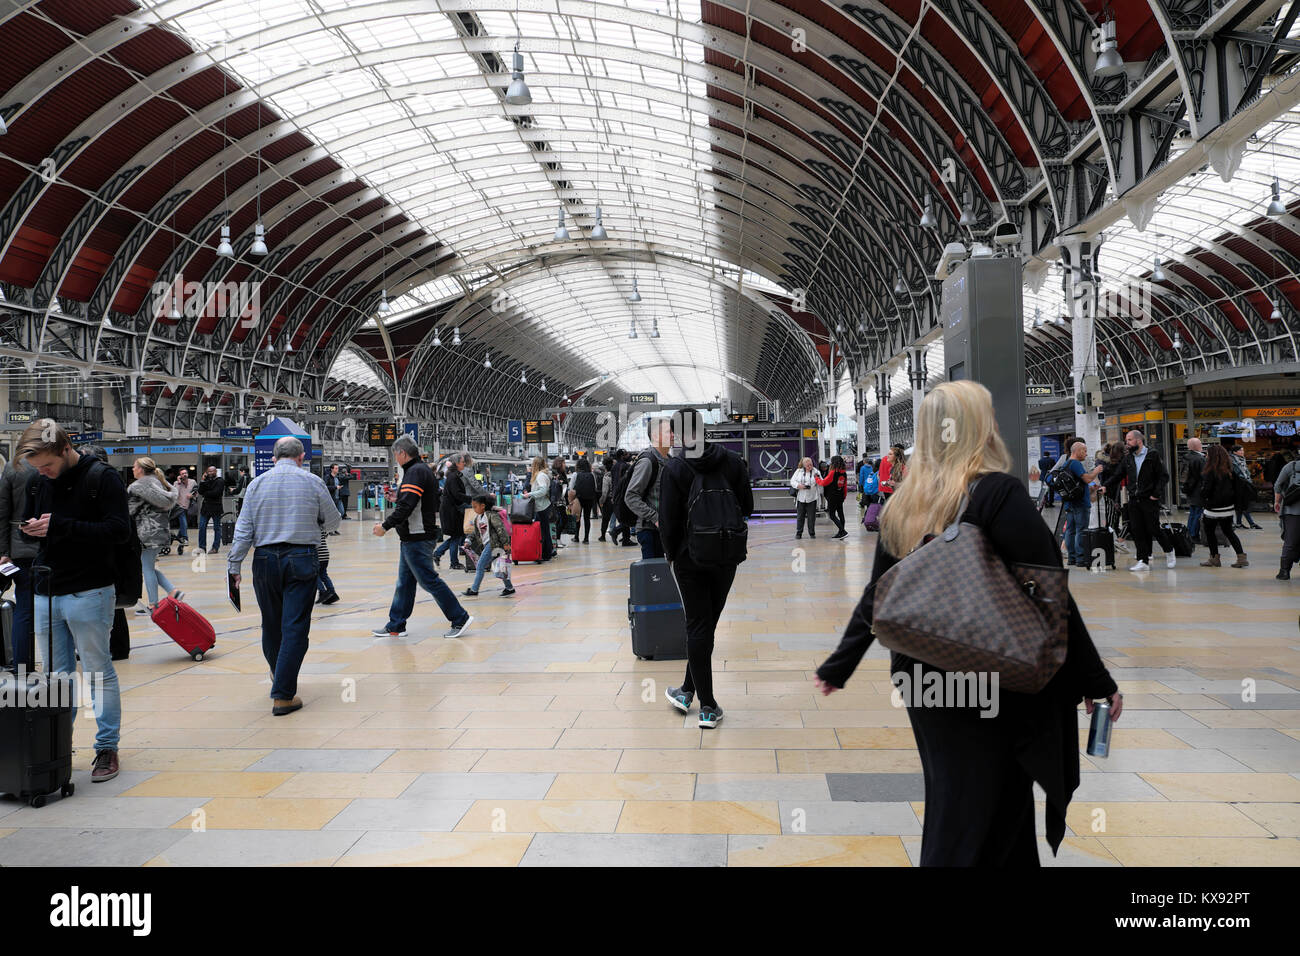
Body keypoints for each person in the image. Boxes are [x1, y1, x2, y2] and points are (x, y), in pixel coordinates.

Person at [812, 381, 1121, 866]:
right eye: (989, 414)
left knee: (965, 797)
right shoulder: (997, 493)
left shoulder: (904, 504)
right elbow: (1049, 593)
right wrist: (1095, 679)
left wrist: (839, 664)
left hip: (923, 677)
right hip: (993, 674)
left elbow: (880, 594)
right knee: (977, 812)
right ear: (978, 429)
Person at [17, 419, 131, 781]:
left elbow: (118, 530)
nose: (45, 474)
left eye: (48, 465)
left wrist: (59, 526)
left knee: (98, 672)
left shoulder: (102, 478)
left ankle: (106, 748)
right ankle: (55, 749)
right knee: (55, 678)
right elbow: (36, 522)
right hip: (47, 590)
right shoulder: (38, 481)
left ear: (66, 449)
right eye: (38, 469)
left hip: (90, 589)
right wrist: (30, 528)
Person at [227, 436, 340, 716]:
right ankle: (283, 694)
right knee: (296, 627)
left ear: (274, 458)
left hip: (264, 560)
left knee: (272, 624)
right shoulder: (313, 481)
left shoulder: (256, 484)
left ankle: (280, 678)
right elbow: (334, 519)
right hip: (301, 558)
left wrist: (234, 566)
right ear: (302, 457)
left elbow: (244, 530)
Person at [659, 408, 754, 729]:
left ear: (676, 434)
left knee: (698, 625)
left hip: (689, 557)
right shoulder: (732, 461)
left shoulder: (674, 467)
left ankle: (708, 706)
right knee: (707, 624)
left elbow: (669, 522)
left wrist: (671, 556)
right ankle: (687, 690)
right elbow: (748, 507)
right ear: (703, 429)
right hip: (726, 554)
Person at [372, 437, 472, 638]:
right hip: (412, 536)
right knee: (405, 583)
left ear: (402, 453)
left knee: (428, 580)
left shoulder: (415, 472)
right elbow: (415, 499)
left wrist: (385, 525)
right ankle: (396, 624)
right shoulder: (420, 470)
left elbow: (407, 505)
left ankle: (459, 617)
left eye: (395, 455)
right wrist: (398, 496)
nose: (395, 459)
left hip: (417, 536)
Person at [127, 457, 184, 614]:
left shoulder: (138, 487)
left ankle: (153, 605)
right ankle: (173, 591)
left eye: (134, 466)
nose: (132, 469)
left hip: (146, 532)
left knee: (146, 568)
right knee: (148, 566)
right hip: (159, 531)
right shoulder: (158, 483)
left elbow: (128, 511)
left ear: (141, 469)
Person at [1117, 429, 1177, 572]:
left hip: (1149, 499)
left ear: (1139, 440)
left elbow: (1164, 476)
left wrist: (1156, 494)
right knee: (1137, 530)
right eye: (1126, 440)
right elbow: (1118, 474)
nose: (1127, 443)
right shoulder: (1129, 458)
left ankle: (1169, 551)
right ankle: (1143, 560)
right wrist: (1105, 486)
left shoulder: (1152, 455)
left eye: (1129, 440)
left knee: (1153, 528)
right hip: (1134, 500)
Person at [0, 455, 39, 669]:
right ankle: (58, 664)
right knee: (55, 607)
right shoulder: (59, 463)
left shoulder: (13, 467)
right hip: (52, 545)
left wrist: (4, 550)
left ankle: (23, 664)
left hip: (20, 547)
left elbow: (2, 511)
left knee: (24, 607)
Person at [625, 419, 671, 558]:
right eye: (669, 431)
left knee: (667, 576)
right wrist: (655, 517)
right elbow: (631, 496)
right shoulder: (647, 461)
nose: (674, 434)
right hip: (650, 531)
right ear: (656, 436)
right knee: (654, 576)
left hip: (665, 530)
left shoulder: (669, 460)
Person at [1197, 444, 1248, 569]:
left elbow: (1207, 490)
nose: (1206, 456)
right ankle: (1241, 557)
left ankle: (1214, 558)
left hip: (1213, 508)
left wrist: (1202, 496)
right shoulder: (1229, 469)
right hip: (1228, 507)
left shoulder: (1210, 471)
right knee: (1229, 531)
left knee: (1209, 531)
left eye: (1208, 454)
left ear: (1212, 456)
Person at [1060, 441, 1104, 567]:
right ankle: (1081, 558)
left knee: (1070, 531)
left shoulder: (1066, 463)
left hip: (1070, 502)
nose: (1086, 453)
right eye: (1084, 450)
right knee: (1081, 530)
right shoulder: (1076, 463)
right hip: (1080, 503)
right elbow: (1087, 478)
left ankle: (1072, 558)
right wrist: (1096, 471)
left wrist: (1091, 485)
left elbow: (1079, 480)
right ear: (1078, 451)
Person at [463, 493, 514, 597]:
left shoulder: (492, 515)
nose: (474, 509)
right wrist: (468, 540)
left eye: (475, 507)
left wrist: (505, 543)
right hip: (489, 545)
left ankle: (474, 589)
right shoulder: (478, 518)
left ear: (483, 506)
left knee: (480, 565)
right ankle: (509, 588)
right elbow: (475, 532)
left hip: (493, 544)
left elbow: (501, 529)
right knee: (499, 566)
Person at [433, 453, 472, 570]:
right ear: (456, 464)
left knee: (457, 535)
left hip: (452, 510)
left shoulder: (453, 475)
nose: (464, 463)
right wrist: (470, 499)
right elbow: (457, 494)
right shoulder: (453, 476)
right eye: (461, 462)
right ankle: (453, 563)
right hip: (451, 511)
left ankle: (438, 553)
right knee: (456, 535)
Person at [1274, 454, 1300, 580]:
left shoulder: (1291, 466)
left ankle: (1284, 571)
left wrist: (1277, 502)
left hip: (1292, 511)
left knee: (1290, 541)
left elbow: (1278, 485)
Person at [527, 455, 555, 562]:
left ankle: (545, 553)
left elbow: (543, 491)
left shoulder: (540, 476)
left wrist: (530, 494)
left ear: (535, 465)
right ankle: (547, 552)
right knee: (544, 530)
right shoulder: (542, 475)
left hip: (542, 507)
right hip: (542, 506)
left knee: (542, 531)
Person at [817, 454, 849, 539]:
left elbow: (823, 483)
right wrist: (844, 496)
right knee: (840, 514)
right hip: (840, 496)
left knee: (832, 515)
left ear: (833, 463)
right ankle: (841, 532)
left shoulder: (832, 473)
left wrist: (816, 479)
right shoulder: (844, 473)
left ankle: (842, 531)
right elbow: (845, 486)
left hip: (832, 497)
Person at [1230, 445, 1263, 529]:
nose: (1243, 452)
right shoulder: (1231, 460)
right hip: (1238, 485)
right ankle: (1251, 523)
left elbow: (1245, 471)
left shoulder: (1242, 459)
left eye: (1243, 450)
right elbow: (1235, 473)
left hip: (1245, 483)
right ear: (1235, 452)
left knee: (1242, 504)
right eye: (1241, 450)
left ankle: (1239, 523)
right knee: (1243, 504)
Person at [789, 456, 822, 539]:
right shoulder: (798, 471)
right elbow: (792, 481)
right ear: (803, 465)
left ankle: (812, 533)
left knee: (811, 517)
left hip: (812, 498)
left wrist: (817, 480)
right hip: (801, 498)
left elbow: (821, 482)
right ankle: (799, 533)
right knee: (800, 517)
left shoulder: (816, 471)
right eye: (807, 465)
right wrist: (798, 485)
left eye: (811, 464)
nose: (810, 467)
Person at [571, 456, 599, 545]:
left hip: (578, 499)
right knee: (587, 518)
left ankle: (576, 537)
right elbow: (595, 487)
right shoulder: (592, 474)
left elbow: (571, 488)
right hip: (589, 499)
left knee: (577, 518)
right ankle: (586, 538)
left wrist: (571, 500)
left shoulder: (576, 474)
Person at [1182, 437, 1206, 542]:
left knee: (1192, 513)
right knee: (1198, 513)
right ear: (1196, 446)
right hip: (1198, 490)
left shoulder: (1186, 457)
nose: (1201, 445)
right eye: (1200, 444)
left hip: (1189, 489)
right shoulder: (1200, 459)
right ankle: (1193, 535)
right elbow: (1204, 476)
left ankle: (1189, 534)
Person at [197, 465, 224, 555]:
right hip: (205, 508)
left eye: (212, 471)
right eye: (209, 471)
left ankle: (215, 547)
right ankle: (202, 547)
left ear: (215, 472)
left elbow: (216, 493)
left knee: (216, 528)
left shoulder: (220, 481)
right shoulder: (206, 481)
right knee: (202, 527)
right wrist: (202, 480)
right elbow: (200, 491)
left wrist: (206, 493)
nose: (210, 473)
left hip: (216, 507)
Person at [315, 526, 339, 604]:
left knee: (314, 575)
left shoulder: (313, 528)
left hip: (318, 555)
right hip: (325, 555)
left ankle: (322, 592)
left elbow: (314, 542)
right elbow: (325, 536)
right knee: (323, 574)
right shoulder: (323, 527)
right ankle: (331, 591)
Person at [598, 459, 615, 541]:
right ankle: (625, 537)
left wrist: (601, 501)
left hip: (608, 500)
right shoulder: (617, 474)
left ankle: (603, 536)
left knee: (605, 519)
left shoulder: (607, 476)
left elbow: (605, 492)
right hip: (617, 499)